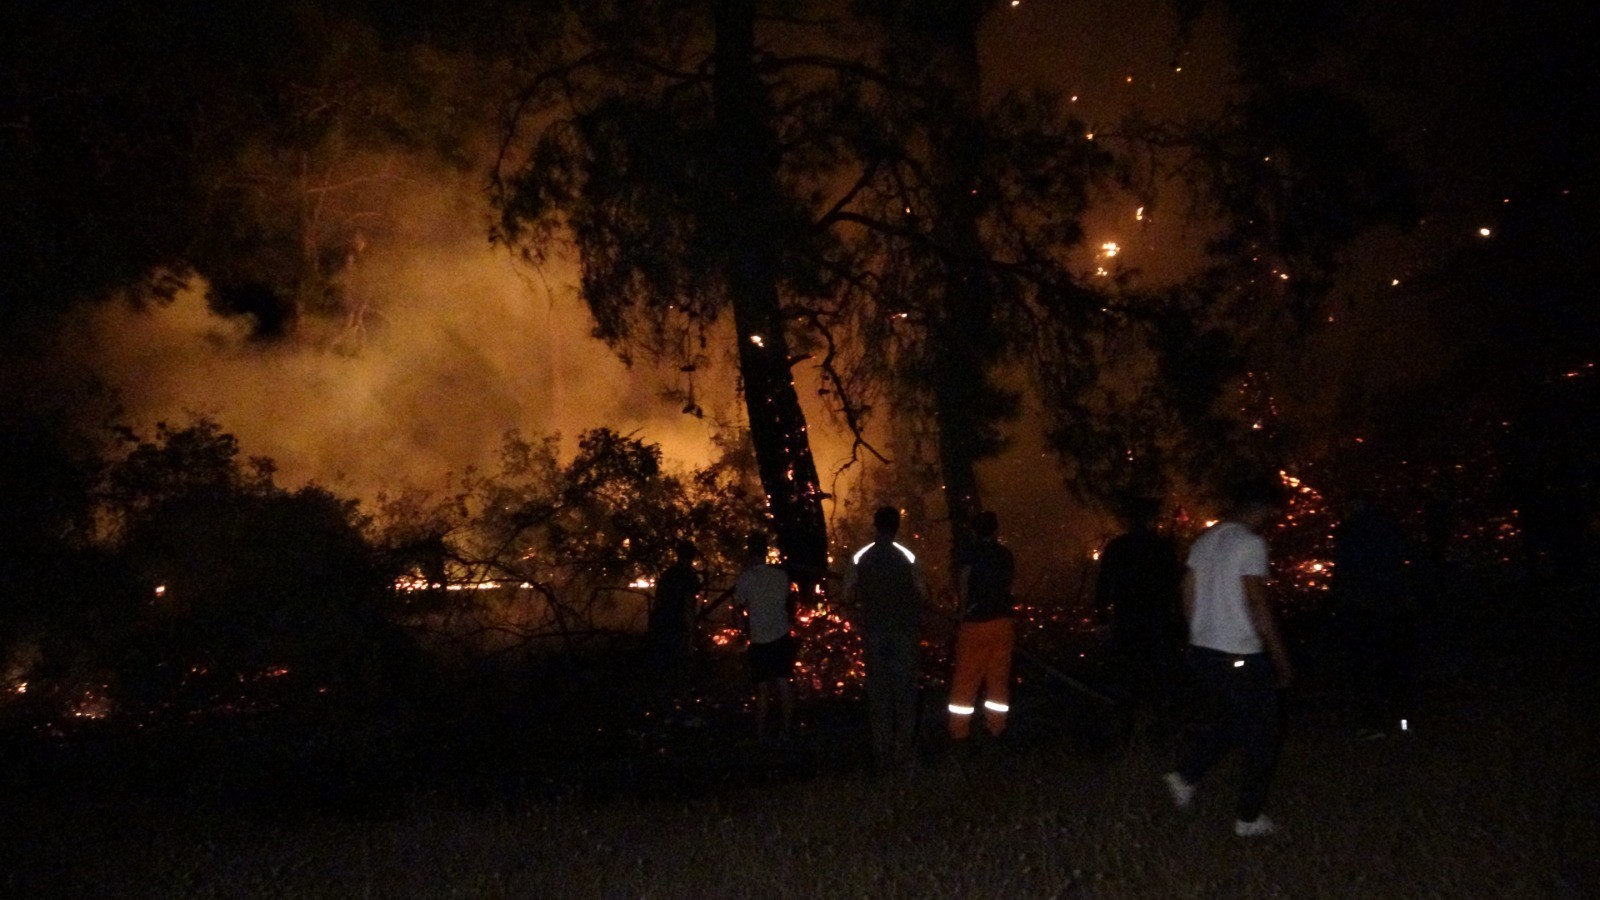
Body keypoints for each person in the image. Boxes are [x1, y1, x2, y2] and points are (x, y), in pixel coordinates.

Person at [1164, 476, 1292, 838]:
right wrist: (1280, 659)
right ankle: (1248, 818)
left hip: (1205, 652)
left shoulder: (1206, 540)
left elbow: (1186, 588)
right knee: (1265, 732)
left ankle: (1186, 775)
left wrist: (1199, 631)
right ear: (1262, 508)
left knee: (1237, 719)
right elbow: (1256, 602)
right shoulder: (1250, 544)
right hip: (1240, 652)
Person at [839, 505, 929, 771]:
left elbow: (846, 594)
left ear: (875, 526)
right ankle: (904, 752)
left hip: (874, 633)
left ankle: (882, 752)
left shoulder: (861, 557)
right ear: (896, 526)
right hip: (903, 632)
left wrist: (857, 612)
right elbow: (923, 592)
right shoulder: (907, 556)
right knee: (904, 691)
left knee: (879, 691)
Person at [1094, 496, 1185, 740]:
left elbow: (1102, 587)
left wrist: (1101, 620)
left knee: (1127, 677)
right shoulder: (1162, 547)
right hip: (1157, 621)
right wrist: (1179, 616)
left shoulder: (1117, 547)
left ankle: (1127, 731)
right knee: (1158, 678)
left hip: (1127, 621)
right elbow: (1174, 585)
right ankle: (1159, 733)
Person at [1331, 494, 1417, 740]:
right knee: (1396, 666)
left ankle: (1373, 724)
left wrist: (1339, 603)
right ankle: (1403, 721)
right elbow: (1404, 561)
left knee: (1366, 668)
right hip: (1392, 606)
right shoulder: (1390, 526)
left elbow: (1344, 571)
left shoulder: (1351, 532)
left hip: (1364, 609)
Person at [947, 511, 1017, 742]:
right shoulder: (1006, 555)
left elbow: (965, 583)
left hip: (976, 622)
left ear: (974, 532)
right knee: (998, 678)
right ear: (996, 530)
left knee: (966, 678)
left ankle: (959, 731)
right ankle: (996, 727)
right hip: (1003, 623)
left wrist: (963, 609)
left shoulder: (970, 554)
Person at [733, 533, 796, 742]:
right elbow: (787, 602)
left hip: (759, 639)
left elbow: (738, 607)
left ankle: (760, 734)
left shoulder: (746, 578)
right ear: (765, 551)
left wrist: (743, 631)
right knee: (783, 683)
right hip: (781, 635)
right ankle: (785, 731)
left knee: (762, 688)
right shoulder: (780, 576)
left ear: (750, 551)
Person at [648, 541, 700, 695]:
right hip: (677, 626)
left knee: (665, 666)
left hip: (661, 623)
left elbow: (658, 601)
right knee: (680, 665)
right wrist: (691, 632)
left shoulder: (668, 574)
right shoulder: (689, 576)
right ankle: (680, 700)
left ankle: (666, 702)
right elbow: (688, 605)